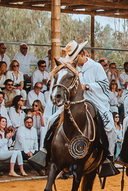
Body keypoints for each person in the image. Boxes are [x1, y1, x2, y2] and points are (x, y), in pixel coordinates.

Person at [35, 41, 117, 177]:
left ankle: (108, 157)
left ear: (82, 54)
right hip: (74, 101)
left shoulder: (96, 67)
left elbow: (103, 85)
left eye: (75, 58)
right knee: (51, 120)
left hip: (94, 100)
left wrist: (86, 86)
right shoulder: (71, 67)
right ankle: (46, 151)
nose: (72, 61)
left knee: (109, 127)